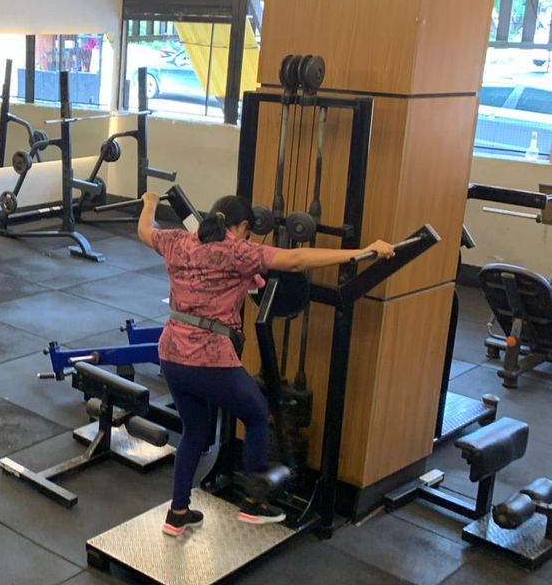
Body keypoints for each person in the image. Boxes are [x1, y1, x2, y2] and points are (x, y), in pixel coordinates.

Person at [137, 193, 394, 536]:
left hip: (171, 354)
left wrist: (150, 202)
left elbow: (145, 230)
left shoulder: (178, 240)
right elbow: (297, 259)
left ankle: (178, 512)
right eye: (247, 230)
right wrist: (363, 252)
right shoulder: (239, 251)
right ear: (244, 226)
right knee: (257, 412)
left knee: (195, 431)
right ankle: (254, 504)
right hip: (209, 357)